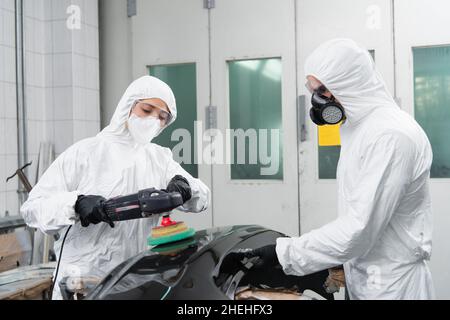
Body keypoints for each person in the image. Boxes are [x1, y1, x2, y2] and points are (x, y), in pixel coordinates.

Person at [233, 39, 435, 300]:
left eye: (324, 90)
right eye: (313, 89)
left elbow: (359, 228)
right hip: (365, 273)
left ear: (350, 83)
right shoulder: (359, 128)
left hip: (393, 286)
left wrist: (284, 254)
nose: (318, 100)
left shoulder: (390, 135)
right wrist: (328, 260)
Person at [20, 76, 210, 299]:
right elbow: (32, 210)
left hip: (134, 281)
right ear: (128, 105)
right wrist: (75, 204)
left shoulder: (159, 158)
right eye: (147, 109)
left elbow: (203, 197)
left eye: (162, 117)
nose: (153, 120)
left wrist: (185, 187)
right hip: (81, 282)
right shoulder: (85, 153)